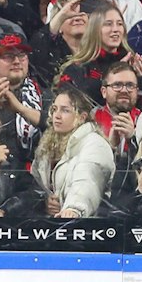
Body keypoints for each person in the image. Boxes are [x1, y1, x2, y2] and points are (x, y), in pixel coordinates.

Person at [30, 87, 114, 220]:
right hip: (54, 224)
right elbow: (35, 183)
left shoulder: (94, 144)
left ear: (82, 117)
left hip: (90, 227)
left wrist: (73, 208)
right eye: (54, 109)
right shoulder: (47, 144)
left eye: (65, 110)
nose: (57, 115)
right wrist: (44, 201)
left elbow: (87, 180)